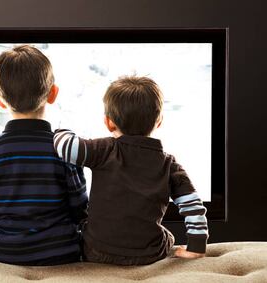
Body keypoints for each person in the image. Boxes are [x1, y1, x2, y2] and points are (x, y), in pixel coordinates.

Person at [53, 76, 209, 265]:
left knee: (86, 226)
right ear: (158, 121)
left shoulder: (104, 150)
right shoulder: (169, 165)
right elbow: (193, 206)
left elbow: (66, 147)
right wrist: (196, 248)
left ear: (109, 123)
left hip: (96, 251)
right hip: (148, 255)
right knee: (168, 237)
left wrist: (62, 131)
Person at [0, 45, 88, 265]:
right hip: (60, 251)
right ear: (53, 94)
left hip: (4, 252)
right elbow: (79, 207)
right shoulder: (64, 148)